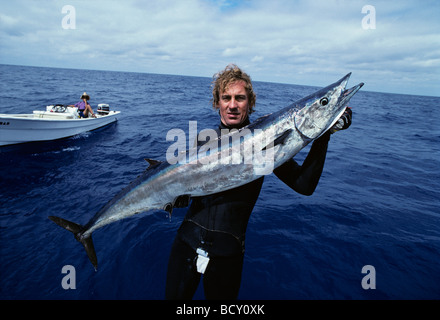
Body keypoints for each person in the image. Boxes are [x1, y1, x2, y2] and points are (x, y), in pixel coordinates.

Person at [165, 64, 352, 300]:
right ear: (217, 103)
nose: (232, 105)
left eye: (240, 98)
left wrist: (324, 135)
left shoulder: (267, 143)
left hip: (227, 255)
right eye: (226, 98)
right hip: (185, 245)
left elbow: (304, 186)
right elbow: (185, 193)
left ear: (250, 103)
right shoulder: (204, 139)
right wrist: (177, 198)